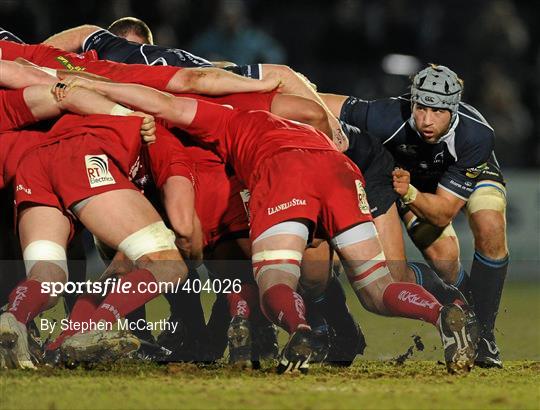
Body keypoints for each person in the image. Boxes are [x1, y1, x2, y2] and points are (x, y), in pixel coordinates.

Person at [56, 76, 478, 375]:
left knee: (275, 276)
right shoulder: (277, 104)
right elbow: (317, 114)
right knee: (377, 286)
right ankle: (443, 314)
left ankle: (301, 331)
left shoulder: (222, 117)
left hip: (284, 171)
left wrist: (96, 86)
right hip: (340, 168)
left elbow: (165, 104)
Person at [321, 64, 508, 368]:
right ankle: (460, 305)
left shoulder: (476, 135)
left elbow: (443, 213)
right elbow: (318, 101)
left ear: (454, 110)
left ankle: (485, 336)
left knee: (490, 226)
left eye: (437, 112)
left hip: (454, 179)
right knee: (444, 260)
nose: (426, 120)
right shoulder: (386, 115)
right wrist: (268, 81)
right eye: (421, 108)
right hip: (412, 181)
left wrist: (408, 194)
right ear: (412, 101)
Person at [41, 19, 349, 151]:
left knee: (308, 105)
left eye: (143, 49)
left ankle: (340, 144)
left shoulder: (143, 62)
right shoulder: (99, 67)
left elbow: (205, 74)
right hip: (196, 108)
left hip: (211, 96)